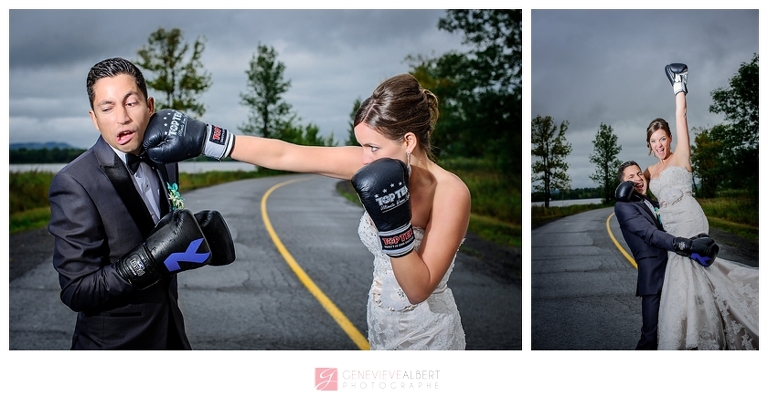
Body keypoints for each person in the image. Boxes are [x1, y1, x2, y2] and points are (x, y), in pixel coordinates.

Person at [143, 73, 468, 349]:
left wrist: (395, 227)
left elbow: (417, 288)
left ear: (408, 141)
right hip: (382, 328)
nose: (364, 159)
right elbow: (287, 155)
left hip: (428, 337)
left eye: (372, 147)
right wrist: (208, 138)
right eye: (361, 146)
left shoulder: (450, 192)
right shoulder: (376, 162)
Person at [48, 57, 235, 349]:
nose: (121, 117)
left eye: (130, 103)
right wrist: (147, 261)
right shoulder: (74, 182)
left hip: (172, 333)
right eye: (107, 108)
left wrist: (194, 245)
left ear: (149, 107)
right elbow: (76, 290)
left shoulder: (164, 157)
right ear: (94, 118)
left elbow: (161, 231)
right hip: (115, 346)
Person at [643, 63, 758, 350]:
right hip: (671, 226)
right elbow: (636, 187)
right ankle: (691, 332)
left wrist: (678, 86)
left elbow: (681, 115)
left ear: (670, 138)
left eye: (663, 138)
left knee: (690, 269)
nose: (659, 145)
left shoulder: (682, 155)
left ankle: (700, 336)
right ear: (649, 145)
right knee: (684, 276)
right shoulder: (649, 171)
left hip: (690, 219)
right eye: (653, 141)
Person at [613, 161, 717, 350]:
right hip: (654, 279)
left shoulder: (651, 203)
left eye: (639, 173)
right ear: (624, 184)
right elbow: (650, 234)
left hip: (675, 273)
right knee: (650, 338)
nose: (638, 178)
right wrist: (686, 245)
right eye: (631, 177)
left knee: (679, 332)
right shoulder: (623, 207)